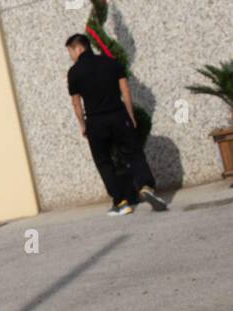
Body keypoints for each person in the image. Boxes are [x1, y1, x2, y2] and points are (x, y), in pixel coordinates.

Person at [65, 34, 168, 215]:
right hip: (118, 115)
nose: (70, 56)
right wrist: (130, 115)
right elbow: (125, 89)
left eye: (70, 51)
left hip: (96, 121)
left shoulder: (74, 72)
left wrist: (83, 124)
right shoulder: (111, 63)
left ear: (78, 48)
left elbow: (76, 103)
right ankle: (146, 186)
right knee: (134, 153)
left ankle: (121, 202)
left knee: (104, 161)